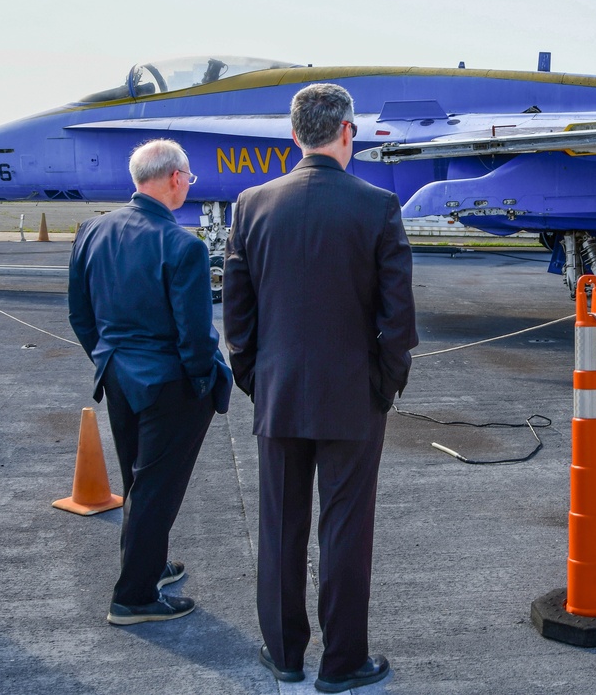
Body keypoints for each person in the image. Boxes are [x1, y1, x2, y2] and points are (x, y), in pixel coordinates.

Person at [223, 83, 418, 692]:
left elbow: (238, 312)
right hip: (352, 397)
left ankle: (284, 653)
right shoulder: (377, 206)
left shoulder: (251, 204)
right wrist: (382, 388)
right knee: (345, 528)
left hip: (279, 390)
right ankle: (342, 663)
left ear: (294, 136)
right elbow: (398, 320)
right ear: (347, 132)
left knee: (280, 526)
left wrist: (255, 377)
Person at [69, 138, 232, 624]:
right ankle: (134, 596)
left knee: (138, 478)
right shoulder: (182, 245)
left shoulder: (92, 230)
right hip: (168, 381)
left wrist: (108, 358)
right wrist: (204, 379)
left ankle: (150, 565)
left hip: (117, 373)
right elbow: (195, 333)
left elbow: (81, 315)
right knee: (157, 487)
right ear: (176, 178)